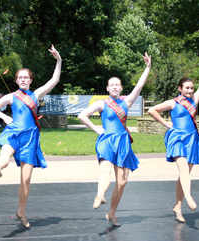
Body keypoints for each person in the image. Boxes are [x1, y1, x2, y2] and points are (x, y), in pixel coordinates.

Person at [0, 45, 61, 228]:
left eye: (26, 77)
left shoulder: (36, 94)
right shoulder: (11, 96)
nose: (23, 80)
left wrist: (58, 60)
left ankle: (21, 211)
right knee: (4, 156)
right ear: (16, 80)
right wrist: (5, 117)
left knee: (26, 179)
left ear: (30, 80)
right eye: (20, 77)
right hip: (13, 132)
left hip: (30, 138)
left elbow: (54, 80)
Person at [78, 52, 151, 227]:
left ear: (121, 88)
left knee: (122, 182)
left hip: (123, 142)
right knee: (105, 170)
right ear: (108, 88)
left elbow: (140, 85)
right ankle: (100, 195)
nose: (115, 87)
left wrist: (147, 67)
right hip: (106, 140)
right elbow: (82, 115)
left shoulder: (127, 102)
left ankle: (111, 213)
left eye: (118, 85)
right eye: (112, 85)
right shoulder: (102, 103)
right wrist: (96, 129)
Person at [147, 50, 199, 223]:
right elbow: (151, 110)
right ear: (180, 89)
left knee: (184, 174)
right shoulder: (173, 103)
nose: (190, 90)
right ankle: (189, 197)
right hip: (177, 138)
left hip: (192, 140)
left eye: (192, 88)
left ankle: (178, 206)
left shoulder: (195, 100)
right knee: (184, 170)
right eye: (187, 88)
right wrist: (166, 123)